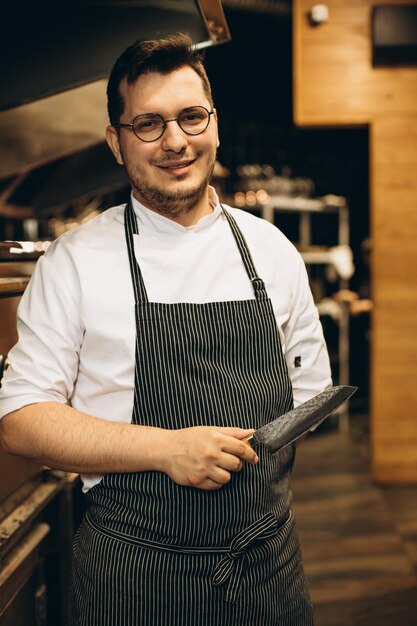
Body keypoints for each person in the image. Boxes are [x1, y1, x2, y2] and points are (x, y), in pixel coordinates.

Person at [0, 33, 331, 626]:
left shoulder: (273, 251)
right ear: (116, 142)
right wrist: (166, 449)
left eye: (190, 117)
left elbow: (311, 395)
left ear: (215, 125)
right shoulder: (74, 261)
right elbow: (21, 419)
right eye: (148, 124)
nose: (176, 141)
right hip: (132, 574)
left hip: (265, 567)